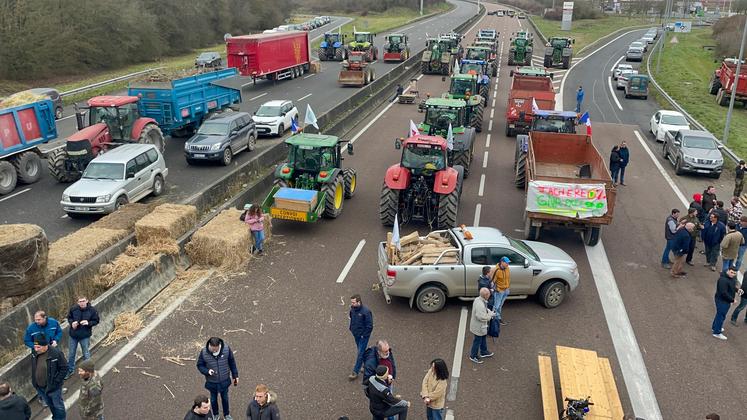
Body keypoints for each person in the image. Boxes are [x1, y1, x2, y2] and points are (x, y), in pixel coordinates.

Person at [196, 337, 239, 420]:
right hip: (212, 382)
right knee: (213, 400)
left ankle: (226, 415)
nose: (215, 351)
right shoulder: (204, 352)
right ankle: (215, 415)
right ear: (210, 346)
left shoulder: (226, 349)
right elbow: (200, 365)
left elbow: (232, 362)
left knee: (225, 399)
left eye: (216, 349)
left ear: (219, 345)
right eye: (213, 350)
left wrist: (235, 375)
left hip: (224, 381)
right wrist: (207, 371)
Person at [31, 335, 67, 420]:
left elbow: (64, 368)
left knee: (58, 407)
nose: (36, 349)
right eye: (35, 347)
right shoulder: (34, 352)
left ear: (45, 345)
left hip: (53, 388)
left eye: (38, 347)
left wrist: (56, 382)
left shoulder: (56, 353)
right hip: (40, 388)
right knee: (51, 406)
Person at [65, 296, 100, 379]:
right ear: (77, 302)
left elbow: (96, 320)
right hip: (73, 335)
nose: (82, 303)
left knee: (86, 354)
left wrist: (88, 323)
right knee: (71, 354)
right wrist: (72, 323)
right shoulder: (73, 309)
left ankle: (88, 371)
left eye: (83, 301)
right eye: (80, 301)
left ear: (87, 301)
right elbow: (69, 318)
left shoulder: (92, 310)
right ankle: (70, 370)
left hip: (85, 336)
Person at [349, 294, 374, 380]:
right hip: (356, 334)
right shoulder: (353, 308)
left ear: (359, 302)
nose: (352, 304)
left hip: (363, 336)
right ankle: (367, 365)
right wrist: (351, 328)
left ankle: (355, 371)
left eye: (353, 302)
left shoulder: (366, 312)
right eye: (351, 302)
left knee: (360, 353)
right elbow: (351, 317)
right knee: (361, 351)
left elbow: (370, 326)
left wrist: (364, 335)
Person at [712, 266, 740, 340]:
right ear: (728, 271)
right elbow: (723, 293)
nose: (732, 274)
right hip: (722, 301)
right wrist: (732, 300)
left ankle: (715, 327)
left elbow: (732, 286)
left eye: (734, 273)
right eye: (731, 272)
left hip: (725, 301)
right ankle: (717, 332)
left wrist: (737, 290)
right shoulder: (723, 280)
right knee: (721, 316)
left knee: (719, 314)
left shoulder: (731, 278)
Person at [468, 287, 495, 364]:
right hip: (479, 327)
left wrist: (488, 311)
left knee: (483, 338)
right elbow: (481, 317)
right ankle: (473, 356)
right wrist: (490, 316)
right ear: (486, 295)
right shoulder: (480, 304)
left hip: (480, 326)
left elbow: (483, 311)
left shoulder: (478, 299)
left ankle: (484, 351)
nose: (490, 296)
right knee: (477, 341)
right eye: (489, 294)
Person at [489, 257, 511, 324]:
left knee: (500, 305)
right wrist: (495, 290)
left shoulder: (507, 268)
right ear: (502, 262)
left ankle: (497, 318)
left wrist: (507, 288)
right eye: (506, 263)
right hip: (499, 291)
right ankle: (494, 319)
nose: (508, 264)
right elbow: (492, 282)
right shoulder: (496, 270)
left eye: (508, 263)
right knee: (496, 306)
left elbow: (508, 278)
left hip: (506, 290)